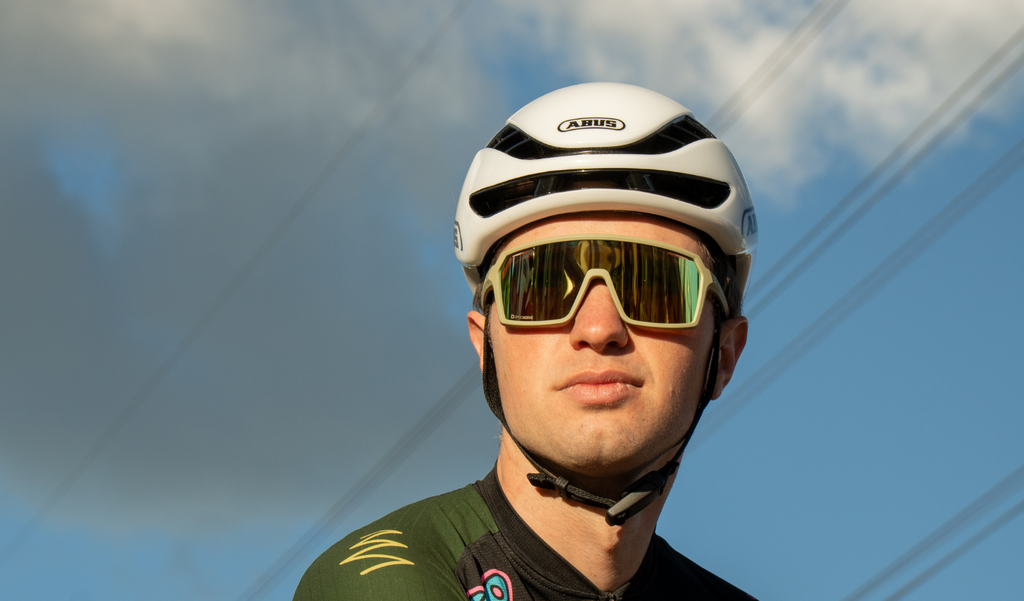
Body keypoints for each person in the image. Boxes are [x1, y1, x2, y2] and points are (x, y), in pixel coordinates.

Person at [294, 82, 758, 600]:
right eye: (540, 285)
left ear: (725, 356)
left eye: (655, 287)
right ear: (484, 344)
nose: (599, 328)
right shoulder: (381, 581)